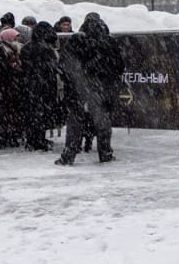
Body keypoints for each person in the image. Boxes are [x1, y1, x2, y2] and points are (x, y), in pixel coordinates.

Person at [57, 13, 124, 166]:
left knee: (75, 122)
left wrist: (74, 81)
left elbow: (64, 65)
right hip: (102, 89)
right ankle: (105, 154)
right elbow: (119, 66)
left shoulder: (77, 40)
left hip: (79, 88)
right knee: (103, 123)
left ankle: (68, 156)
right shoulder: (108, 42)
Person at [19, 22, 61, 150]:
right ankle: (39, 139)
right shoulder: (47, 49)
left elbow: (25, 67)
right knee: (42, 113)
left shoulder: (26, 48)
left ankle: (32, 139)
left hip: (29, 84)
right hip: (44, 85)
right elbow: (51, 68)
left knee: (32, 113)